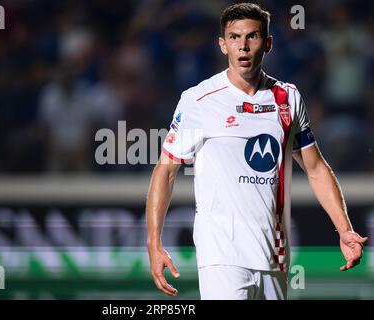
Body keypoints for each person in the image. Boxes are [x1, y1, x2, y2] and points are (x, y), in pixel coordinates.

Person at [145, 3, 368, 300]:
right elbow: (166, 169)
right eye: (235, 37)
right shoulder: (198, 100)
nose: (244, 47)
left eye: (252, 37)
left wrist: (344, 229)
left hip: (274, 255)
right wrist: (153, 242)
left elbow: (315, 168)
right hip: (221, 255)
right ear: (223, 45)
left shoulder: (287, 98)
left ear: (268, 43)